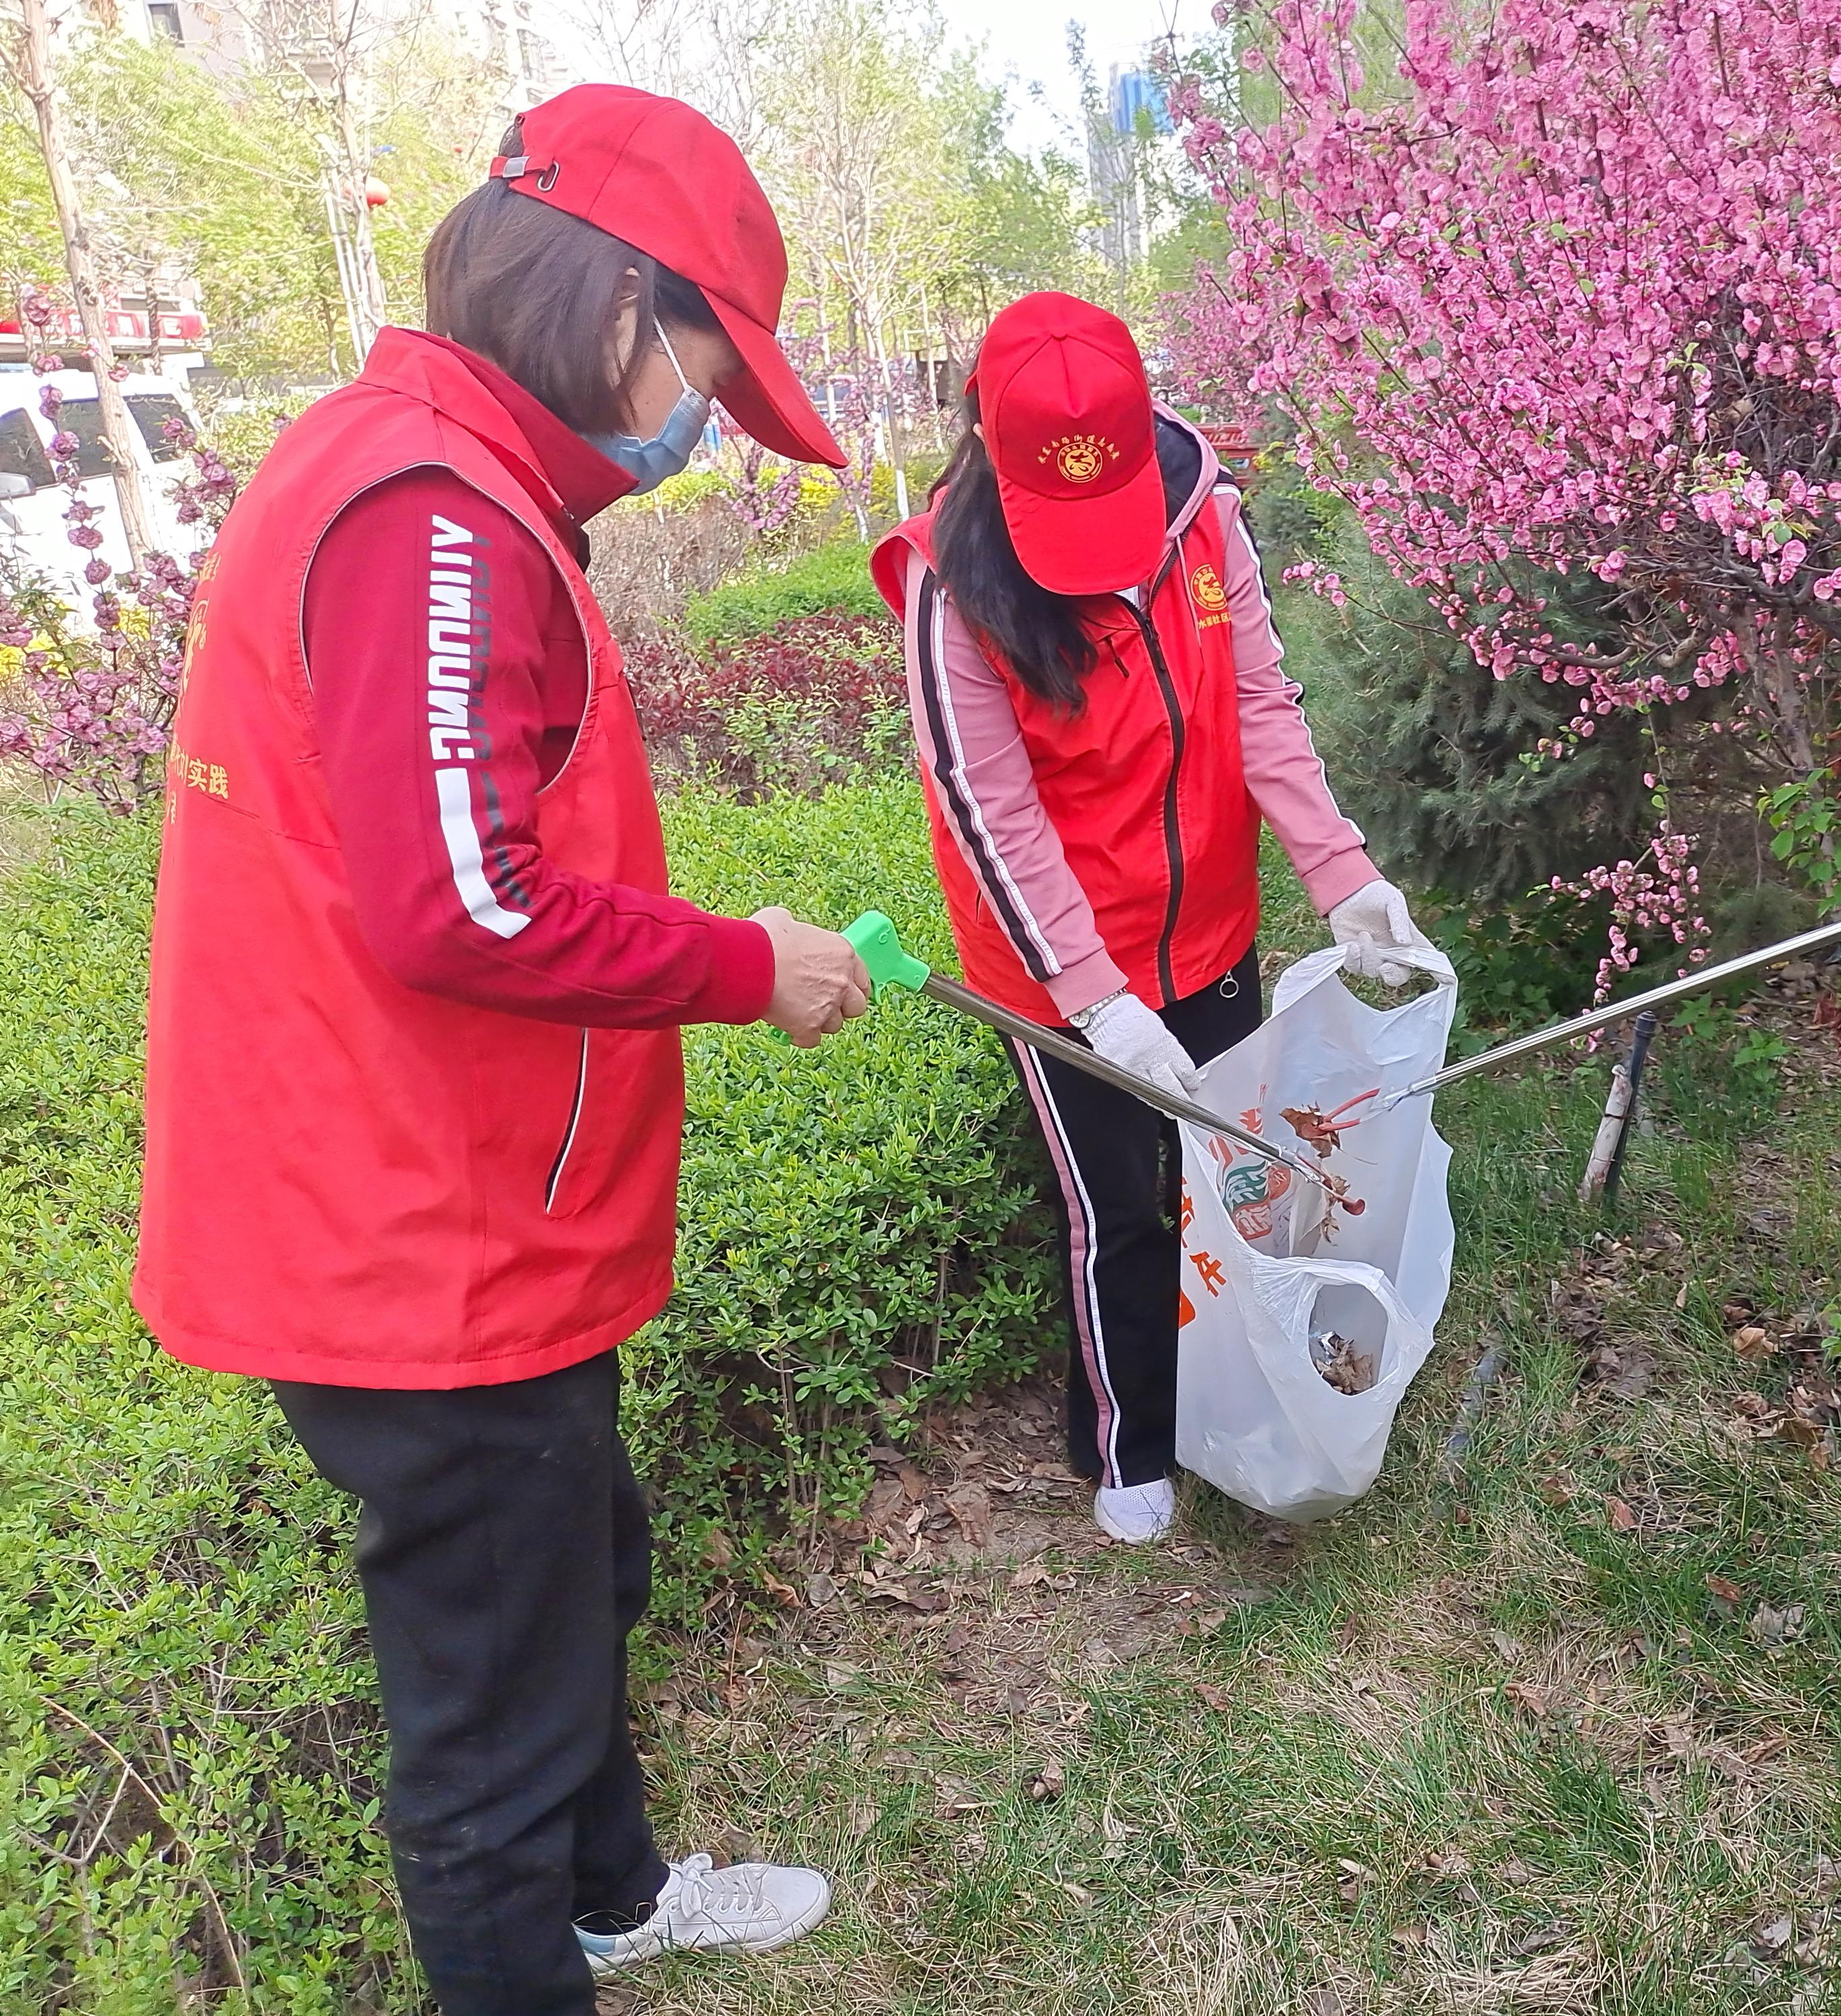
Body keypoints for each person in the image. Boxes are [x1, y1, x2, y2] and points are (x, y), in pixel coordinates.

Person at [134, 85, 870, 2013]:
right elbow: (459, 902)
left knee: (569, 1584)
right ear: (618, 306)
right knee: (483, 1728)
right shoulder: (433, 516)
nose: (707, 425)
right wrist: (742, 964)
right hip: (416, 1245)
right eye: (712, 366)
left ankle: (617, 1893)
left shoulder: (434, 472)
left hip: (462, 1215)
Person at [872, 290, 1431, 1546]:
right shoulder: (949, 591)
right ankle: (1124, 1441)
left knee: (1224, 1177)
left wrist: (1345, 878)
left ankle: (1228, 1397)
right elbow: (990, 815)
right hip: (1059, 971)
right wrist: (1095, 998)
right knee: (1120, 1202)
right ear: (990, 453)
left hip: (1211, 926)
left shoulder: (1204, 518)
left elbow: (1262, 707)